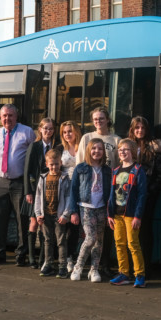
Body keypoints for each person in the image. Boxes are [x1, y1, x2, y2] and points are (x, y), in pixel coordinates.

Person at [0, 104, 35, 265]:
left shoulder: (26, 132)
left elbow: (33, 156)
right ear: (0, 118)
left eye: (10, 115)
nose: (7, 118)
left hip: (20, 182)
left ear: (16, 116)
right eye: (4, 116)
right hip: (1, 182)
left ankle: (21, 255)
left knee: (22, 221)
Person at [127, 116, 161, 275]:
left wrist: (149, 191)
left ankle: (145, 268)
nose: (140, 131)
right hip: (129, 193)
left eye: (143, 128)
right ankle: (130, 267)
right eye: (137, 128)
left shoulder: (155, 147)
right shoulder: (126, 145)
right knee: (130, 230)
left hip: (147, 194)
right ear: (132, 129)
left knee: (144, 230)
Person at [67, 138, 111, 283]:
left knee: (99, 241)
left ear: (103, 152)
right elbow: (73, 191)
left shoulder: (107, 170)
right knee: (90, 238)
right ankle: (78, 267)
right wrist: (73, 211)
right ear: (88, 150)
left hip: (101, 208)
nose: (96, 151)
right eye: (94, 148)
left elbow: (110, 192)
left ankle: (94, 269)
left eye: (99, 149)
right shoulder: (80, 168)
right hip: (86, 207)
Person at [107, 139, 147, 288]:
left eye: (126, 149)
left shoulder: (138, 170)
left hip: (130, 215)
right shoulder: (116, 171)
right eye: (120, 150)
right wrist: (109, 214)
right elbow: (112, 194)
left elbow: (142, 195)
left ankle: (140, 275)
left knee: (133, 244)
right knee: (119, 244)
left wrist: (138, 216)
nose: (123, 152)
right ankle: (123, 273)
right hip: (116, 215)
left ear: (133, 152)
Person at [24, 118, 58, 268]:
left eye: (50, 129)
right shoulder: (35, 146)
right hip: (35, 190)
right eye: (45, 128)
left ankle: (43, 258)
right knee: (33, 222)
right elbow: (27, 170)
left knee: (46, 224)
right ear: (40, 129)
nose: (48, 131)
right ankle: (31, 257)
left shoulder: (57, 147)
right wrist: (28, 191)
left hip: (51, 190)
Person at [34, 148, 72, 278]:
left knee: (61, 241)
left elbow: (68, 197)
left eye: (56, 164)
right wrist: (38, 213)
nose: (54, 167)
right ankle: (49, 264)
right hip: (46, 215)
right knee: (47, 240)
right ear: (47, 164)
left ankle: (62, 266)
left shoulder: (64, 178)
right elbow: (38, 197)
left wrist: (65, 214)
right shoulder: (43, 178)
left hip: (59, 215)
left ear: (60, 163)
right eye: (51, 164)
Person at [59, 120, 82, 271]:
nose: (67, 134)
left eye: (70, 131)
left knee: (75, 225)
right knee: (63, 224)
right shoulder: (60, 148)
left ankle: (71, 256)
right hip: (64, 189)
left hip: (79, 188)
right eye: (65, 132)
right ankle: (64, 258)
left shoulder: (82, 147)